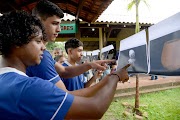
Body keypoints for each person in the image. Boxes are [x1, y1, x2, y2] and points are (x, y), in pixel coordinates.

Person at [0, 10, 130, 119]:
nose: (43, 47)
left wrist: (92, 66)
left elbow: (64, 71)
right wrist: (115, 76)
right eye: (38, 40)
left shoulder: (6, 80)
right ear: (17, 41)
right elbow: (96, 108)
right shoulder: (30, 88)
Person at [26, 0, 115, 92]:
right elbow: (66, 97)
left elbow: (64, 71)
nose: (59, 29)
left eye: (59, 24)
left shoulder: (45, 54)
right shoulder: (40, 56)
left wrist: (91, 65)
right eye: (54, 23)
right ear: (38, 21)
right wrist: (112, 80)